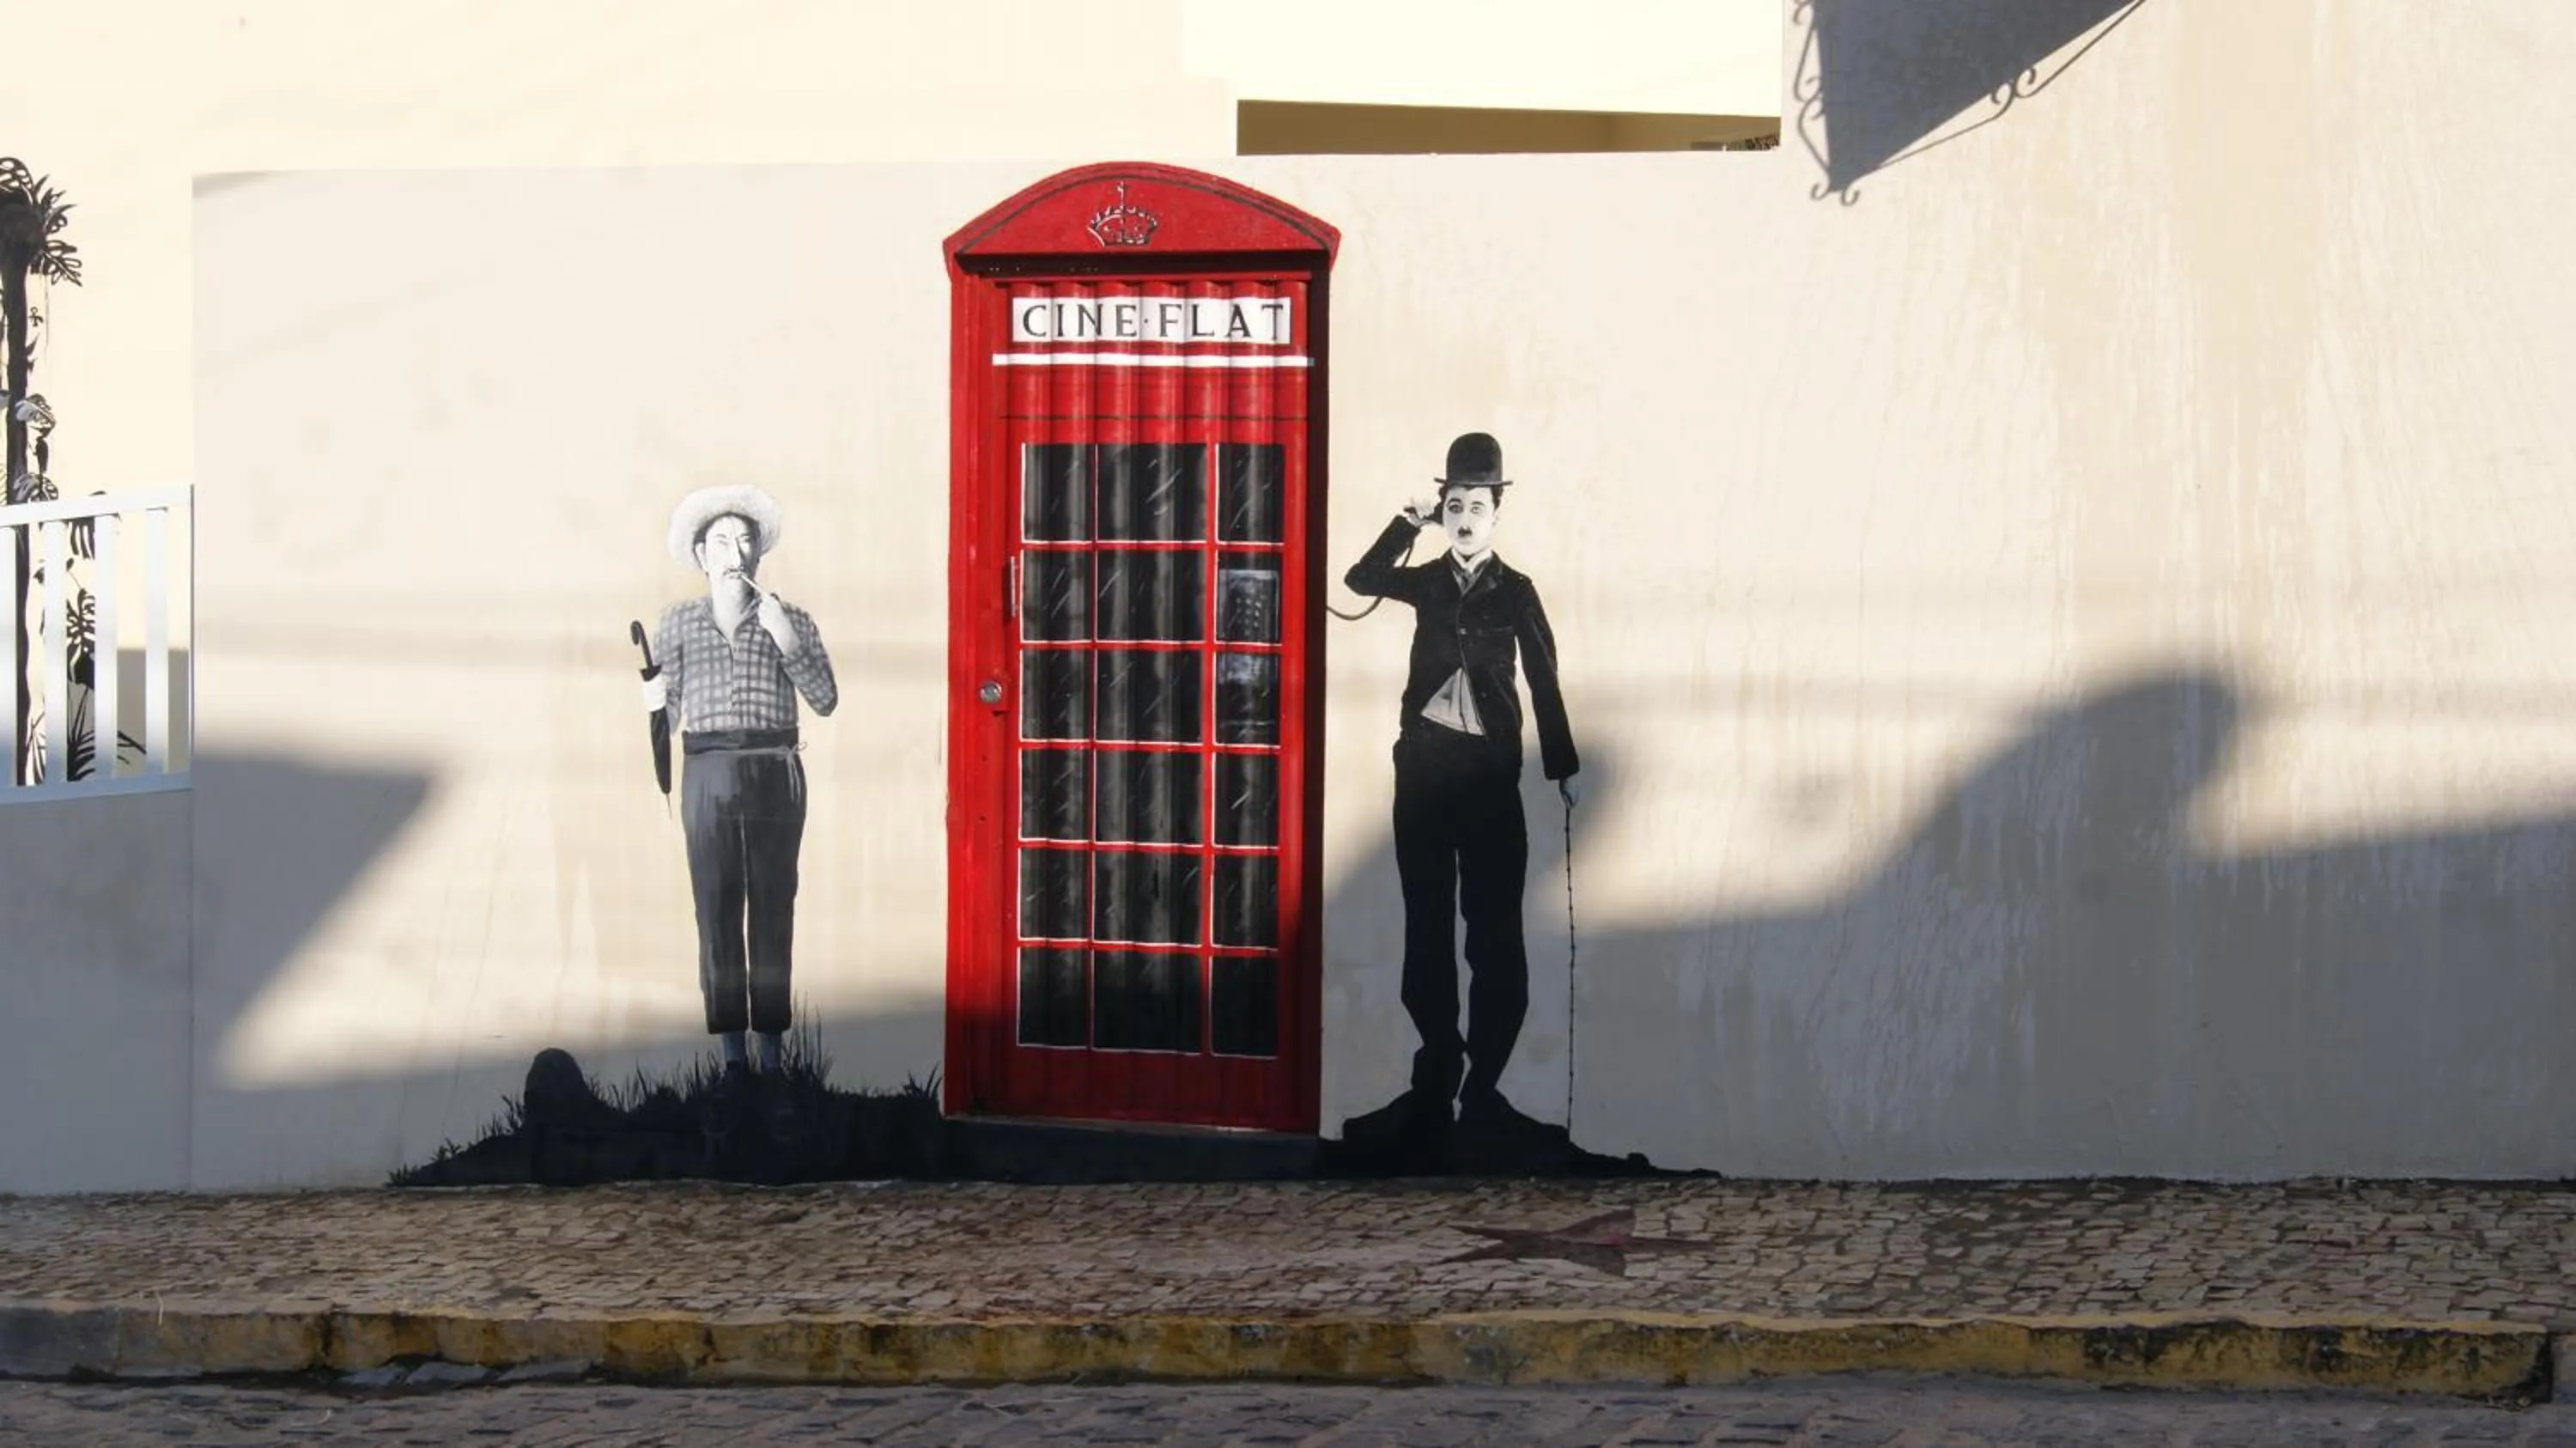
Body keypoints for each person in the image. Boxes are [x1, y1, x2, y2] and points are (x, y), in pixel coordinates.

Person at [1341, 432, 1579, 1162]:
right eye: (1454, 507)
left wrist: (1561, 767)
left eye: (1477, 506)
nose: (1466, 519)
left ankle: (1484, 1091)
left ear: (1497, 512)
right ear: (1442, 512)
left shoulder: (1517, 590)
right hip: (1422, 775)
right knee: (1427, 927)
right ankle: (1435, 1075)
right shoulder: (1427, 580)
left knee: (1494, 931)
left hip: (1488, 780)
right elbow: (1360, 579)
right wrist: (1406, 522)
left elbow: (1544, 679)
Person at [641, 484, 838, 1104]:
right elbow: (668, 716)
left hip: (775, 769)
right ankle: (732, 1061)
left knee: (774, 904)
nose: (734, 552)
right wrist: (654, 698)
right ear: (701, 555)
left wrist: (786, 639)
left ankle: (772, 1057)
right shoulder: (678, 624)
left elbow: (825, 699)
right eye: (721, 541)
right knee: (717, 906)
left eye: (744, 540)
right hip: (707, 771)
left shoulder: (790, 618)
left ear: (759, 553)